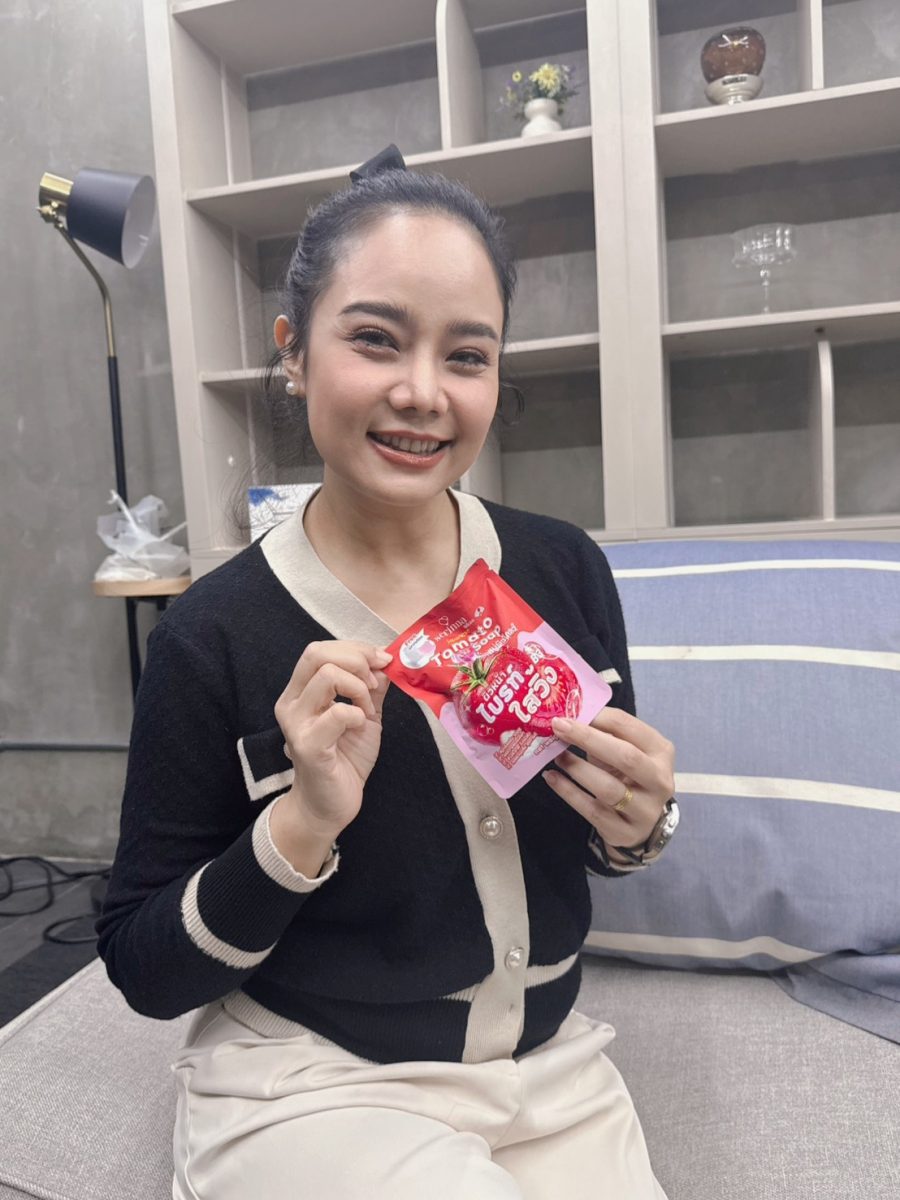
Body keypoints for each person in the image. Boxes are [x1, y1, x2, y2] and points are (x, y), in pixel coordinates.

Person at [96, 144, 677, 1200]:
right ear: (293, 352)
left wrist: (643, 827)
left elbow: (602, 843)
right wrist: (301, 824)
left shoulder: (561, 569)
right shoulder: (211, 634)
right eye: (374, 339)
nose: (422, 393)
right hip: (315, 1083)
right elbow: (143, 965)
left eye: (468, 355)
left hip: (550, 1076)